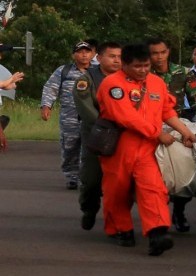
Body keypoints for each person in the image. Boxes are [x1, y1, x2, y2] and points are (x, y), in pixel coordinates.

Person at [97, 43, 196, 256]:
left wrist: (184, 130)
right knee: (117, 190)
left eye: (146, 65)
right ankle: (121, 229)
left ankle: (157, 234)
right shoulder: (112, 84)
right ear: (124, 64)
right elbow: (125, 116)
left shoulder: (157, 83)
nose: (143, 70)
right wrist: (157, 133)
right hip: (119, 145)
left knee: (153, 189)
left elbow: (166, 110)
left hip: (147, 148)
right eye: (138, 66)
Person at [147, 38, 196, 233]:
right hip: (151, 128)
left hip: (178, 127)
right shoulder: (143, 73)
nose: (159, 57)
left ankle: (179, 212)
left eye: (162, 52)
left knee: (183, 172)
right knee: (156, 176)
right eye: (154, 53)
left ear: (168, 51)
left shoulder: (183, 73)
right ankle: (159, 216)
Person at [71, 42, 122, 231]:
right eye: (112, 56)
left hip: (124, 136)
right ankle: (89, 209)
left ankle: (117, 221)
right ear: (99, 58)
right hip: (97, 135)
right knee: (91, 178)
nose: (116, 60)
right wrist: (109, 125)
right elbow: (86, 109)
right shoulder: (87, 79)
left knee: (120, 181)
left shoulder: (128, 79)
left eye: (119, 56)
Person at [41, 41, 93, 190]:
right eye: (80, 51)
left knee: (89, 149)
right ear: (73, 55)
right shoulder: (64, 71)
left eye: (87, 51)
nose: (84, 54)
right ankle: (72, 176)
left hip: (91, 117)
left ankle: (87, 177)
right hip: (69, 117)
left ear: (92, 54)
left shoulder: (97, 71)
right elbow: (50, 88)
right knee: (70, 147)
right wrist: (46, 106)